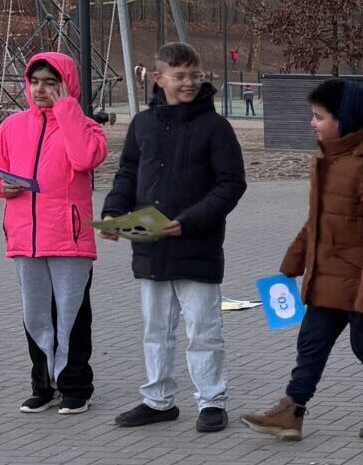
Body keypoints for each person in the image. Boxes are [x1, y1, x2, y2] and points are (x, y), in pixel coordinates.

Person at [240, 79, 363, 441]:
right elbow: (316, 221)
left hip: (360, 279)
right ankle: (292, 410)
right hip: (327, 274)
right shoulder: (327, 159)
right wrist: (291, 263)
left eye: (319, 116)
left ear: (344, 119)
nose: (312, 122)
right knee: (311, 343)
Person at [100, 42, 246, 433]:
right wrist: (113, 213)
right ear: (158, 78)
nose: (189, 83)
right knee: (155, 330)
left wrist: (189, 221)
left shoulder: (215, 127)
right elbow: (128, 173)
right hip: (150, 246)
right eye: (179, 76)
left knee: (203, 330)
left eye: (194, 76)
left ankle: (211, 401)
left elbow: (231, 184)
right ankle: (158, 400)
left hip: (197, 246)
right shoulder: (142, 124)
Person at [0, 52, 107, 415]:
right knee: (36, 317)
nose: (40, 90)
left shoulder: (87, 127)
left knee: (71, 317)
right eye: (35, 82)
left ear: (67, 86)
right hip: (25, 239)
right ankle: (43, 386)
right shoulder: (13, 125)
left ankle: (75, 387)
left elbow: (84, 159)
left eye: (50, 83)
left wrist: (66, 110)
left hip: (69, 239)